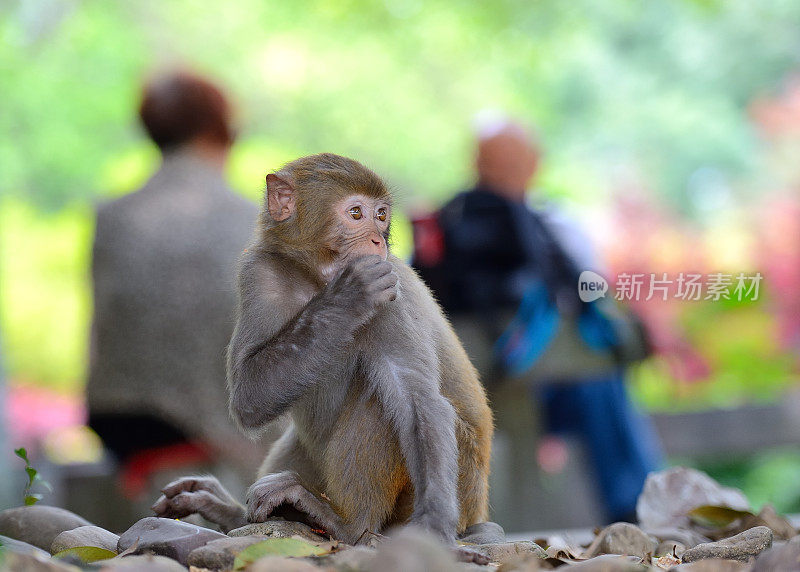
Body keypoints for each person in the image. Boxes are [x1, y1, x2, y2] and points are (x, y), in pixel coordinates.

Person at [413, 113, 662, 523]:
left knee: (593, 379)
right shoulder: (555, 227)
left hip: (475, 392)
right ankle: (637, 508)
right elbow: (598, 306)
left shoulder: (440, 228)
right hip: (546, 387)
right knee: (600, 379)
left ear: (474, 164)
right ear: (535, 164)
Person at [86, 71, 264, 494]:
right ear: (221, 131)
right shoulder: (250, 219)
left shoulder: (112, 216)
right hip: (212, 432)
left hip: (118, 419)